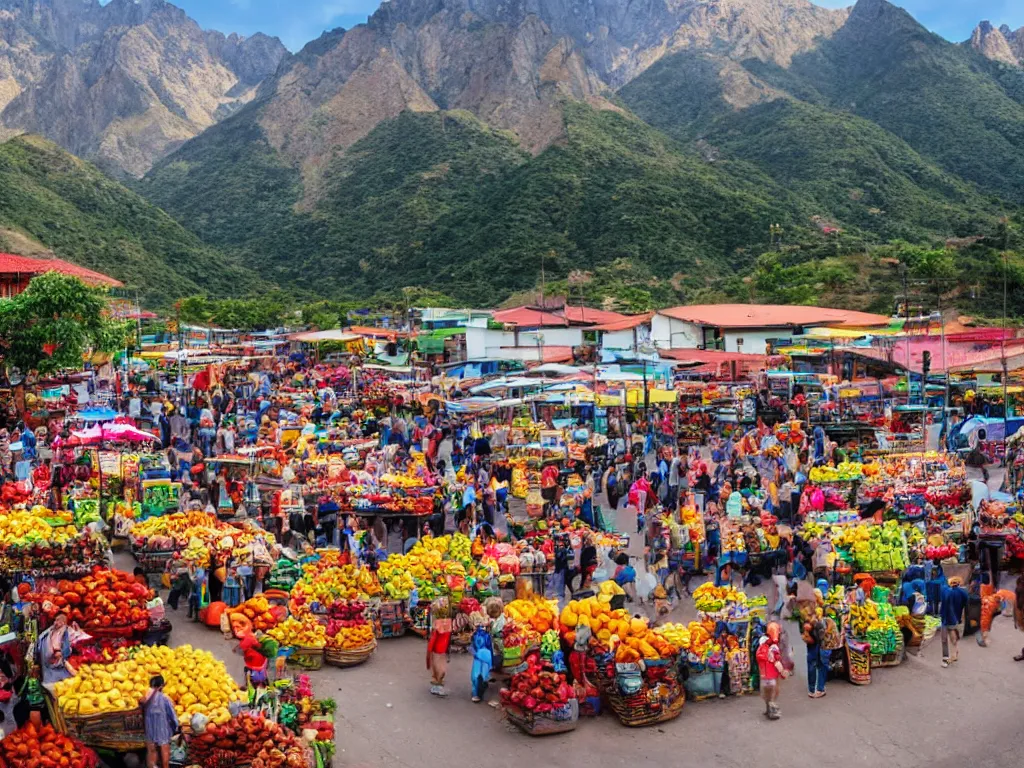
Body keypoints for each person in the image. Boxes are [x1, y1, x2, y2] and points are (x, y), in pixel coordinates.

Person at [141, 675, 179, 768]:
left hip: (149, 727)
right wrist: (176, 726)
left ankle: (152, 766)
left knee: (151, 750)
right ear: (161, 686)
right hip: (162, 728)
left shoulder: (145, 696)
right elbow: (172, 714)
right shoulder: (165, 698)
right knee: (164, 749)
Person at [755, 623, 789, 720]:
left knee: (766, 690)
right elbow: (781, 659)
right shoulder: (777, 644)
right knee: (774, 690)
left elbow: (759, 657)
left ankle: (768, 708)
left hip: (764, 672)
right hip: (773, 671)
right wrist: (783, 670)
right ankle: (772, 708)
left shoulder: (762, 643)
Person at [37, 612, 74, 684]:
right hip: (48, 669)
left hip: (60, 670)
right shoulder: (48, 632)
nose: (55, 622)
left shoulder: (67, 631)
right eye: (55, 620)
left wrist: (61, 652)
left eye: (58, 620)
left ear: (63, 622)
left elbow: (67, 649)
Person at [940, 575, 969, 668]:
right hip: (953, 617)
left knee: (945, 638)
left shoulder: (946, 591)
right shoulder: (963, 592)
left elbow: (943, 604)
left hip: (947, 617)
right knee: (950, 635)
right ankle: (953, 653)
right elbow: (966, 604)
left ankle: (949, 656)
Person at [426, 598, 452, 696]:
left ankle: (437, 685)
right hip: (443, 650)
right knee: (441, 668)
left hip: (437, 650)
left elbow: (433, 639)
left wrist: (429, 651)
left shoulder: (437, 624)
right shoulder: (448, 623)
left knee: (437, 668)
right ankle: (439, 685)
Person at [469, 618, 493, 703]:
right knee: (477, 675)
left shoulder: (488, 635)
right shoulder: (478, 635)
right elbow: (472, 645)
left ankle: (478, 693)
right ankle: (477, 693)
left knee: (480, 675)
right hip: (481, 656)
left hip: (482, 656)